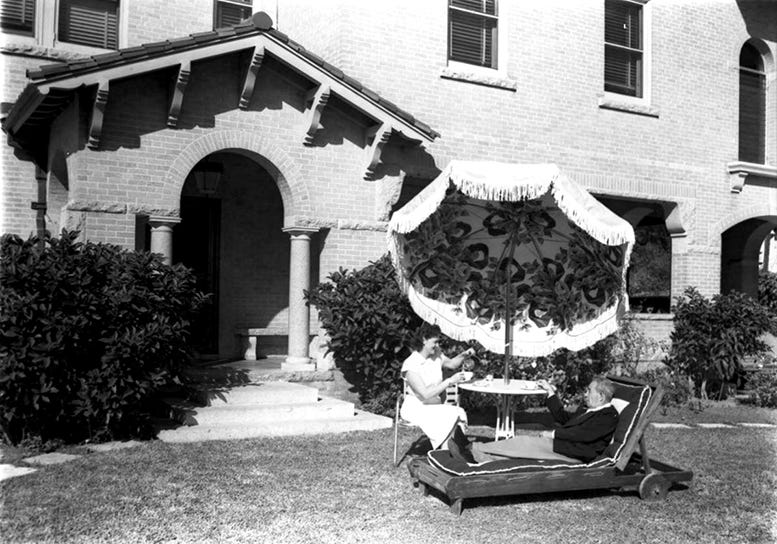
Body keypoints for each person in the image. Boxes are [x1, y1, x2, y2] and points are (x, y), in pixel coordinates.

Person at [465, 376, 618, 464]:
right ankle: (482, 457)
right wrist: (549, 392)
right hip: (564, 445)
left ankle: (473, 448)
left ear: (601, 396)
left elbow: (581, 435)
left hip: (575, 453)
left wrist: (551, 434)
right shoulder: (588, 409)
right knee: (521, 447)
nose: (585, 394)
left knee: (524, 443)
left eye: (589, 391)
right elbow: (563, 417)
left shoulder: (608, 416)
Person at [400, 326, 475, 458]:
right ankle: (446, 456)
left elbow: (451, 364)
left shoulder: (436, 355)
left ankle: (455, 452)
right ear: (424, 340)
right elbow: (425, 395)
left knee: (457, 412)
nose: (438, 345)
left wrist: (465, 354)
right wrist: (449, 381)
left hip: (434, 404)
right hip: (416, 407)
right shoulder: (411, 364)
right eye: (435, 342)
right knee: (449, 414)